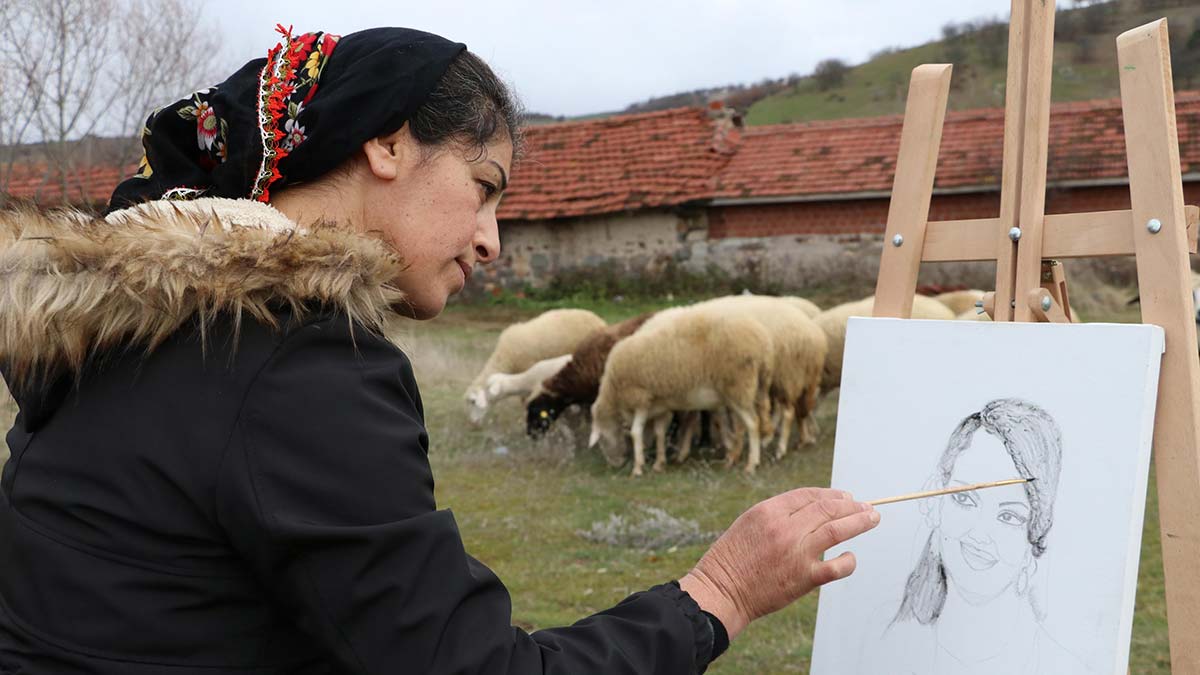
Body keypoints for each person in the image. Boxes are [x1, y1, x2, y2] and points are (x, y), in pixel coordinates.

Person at [0, 26, 879, 674]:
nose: (492, 240)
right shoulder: (290, 357)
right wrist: (718, 594)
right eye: (484, 187)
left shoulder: (119, 335)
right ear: (387, 143)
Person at [861, 397, 1079, 675]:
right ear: (937, 499)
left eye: (1009, 516)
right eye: (964, 499)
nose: (979, 533)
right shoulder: (884, 637)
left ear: (1035, 535)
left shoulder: (1061, 665)